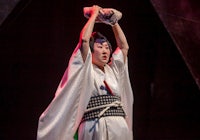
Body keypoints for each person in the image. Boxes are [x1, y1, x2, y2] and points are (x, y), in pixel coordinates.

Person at [37, 5, 133, 140]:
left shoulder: (114, 70)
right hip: (94, 126)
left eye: (107, 47)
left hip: (118, 125)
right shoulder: (84, 70)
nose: (105, 50)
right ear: (91, 51)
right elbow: (84, 40)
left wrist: (113, 22)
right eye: (100, 46)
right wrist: (94, 15)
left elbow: (124, 47)